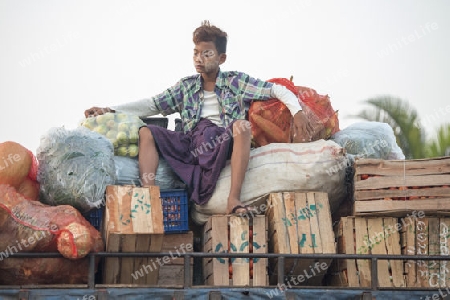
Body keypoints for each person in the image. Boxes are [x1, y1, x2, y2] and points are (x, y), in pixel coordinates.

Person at [85, 20, 315, 216]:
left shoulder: (237, 82)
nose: (199, 58)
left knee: (243, 127)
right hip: (191, 142)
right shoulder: (185, 87)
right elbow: (152, 104)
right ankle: (150, 195)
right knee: (147, 132)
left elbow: (276, 90)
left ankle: (233, 199)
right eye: (196, 52)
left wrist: (297, 111)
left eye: (207, 53)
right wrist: (109, 109)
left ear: (221, 58)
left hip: (221, 141)